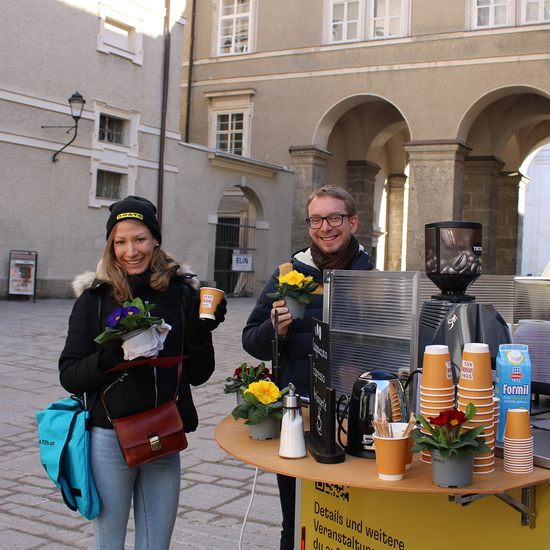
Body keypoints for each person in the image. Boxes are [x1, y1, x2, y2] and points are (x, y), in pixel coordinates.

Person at [59, 195, 226, 550]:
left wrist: (200, 332)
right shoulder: (94, 298)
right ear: (110, 245)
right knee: (109, 542)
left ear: (155, 241)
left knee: (155, 544)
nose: (130, 250)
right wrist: (109, 356)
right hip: (108, 438)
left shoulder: (182, 295)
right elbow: (70, 375)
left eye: (139, 239)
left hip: (164, 433)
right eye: (120, 241)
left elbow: (198, 375)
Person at [242, 185, 375, 550]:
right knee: (297, 521)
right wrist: (276, 330)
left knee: (350, 526)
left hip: (354, 418)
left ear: (352, 222)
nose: (325, 227)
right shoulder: (288, 273)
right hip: (298, 413)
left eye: (334, 218)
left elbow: (388, 350)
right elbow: (252, 340)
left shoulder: (372, 278)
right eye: (316, 219)